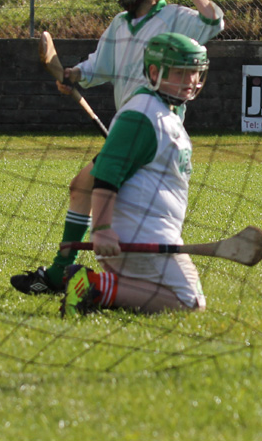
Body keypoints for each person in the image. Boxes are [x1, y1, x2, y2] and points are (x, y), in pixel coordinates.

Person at [11, 0, 223, 295]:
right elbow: (100, 65)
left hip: (154, 129)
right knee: (86, 188)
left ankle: (63, 275)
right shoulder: (119, 25)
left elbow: (215, 22)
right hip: (129, 126)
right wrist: (75, 73)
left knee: (89, 187)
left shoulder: (174, 17)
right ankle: (70, 274)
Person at [60, 32, 209, 317]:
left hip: (147, 234)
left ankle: (103, 289)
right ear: (154, 72)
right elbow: (106, 173)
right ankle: (93, 285)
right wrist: (102, 230)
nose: (190, 81)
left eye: (194, 72)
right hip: (139, 236)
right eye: (180, 72)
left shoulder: (166, 111)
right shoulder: (142, 114)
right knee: (190, 303)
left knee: (152, 298)